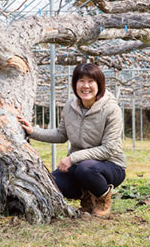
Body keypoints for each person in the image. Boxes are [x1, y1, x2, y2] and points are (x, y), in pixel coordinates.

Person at [17, 63, 126, 217]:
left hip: (110, 165)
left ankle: (103, 198)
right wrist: (33, 131)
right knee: (52, 183)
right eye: (81, 81)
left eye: (91, 81)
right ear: (74, 84)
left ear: (99, 85)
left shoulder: (111, 110)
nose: (85, 86)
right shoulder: (70, 106)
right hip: (80, 165)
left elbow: (109, 149)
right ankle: (87, 198)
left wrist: (72, 158)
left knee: (86, 169)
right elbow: (61, 134)